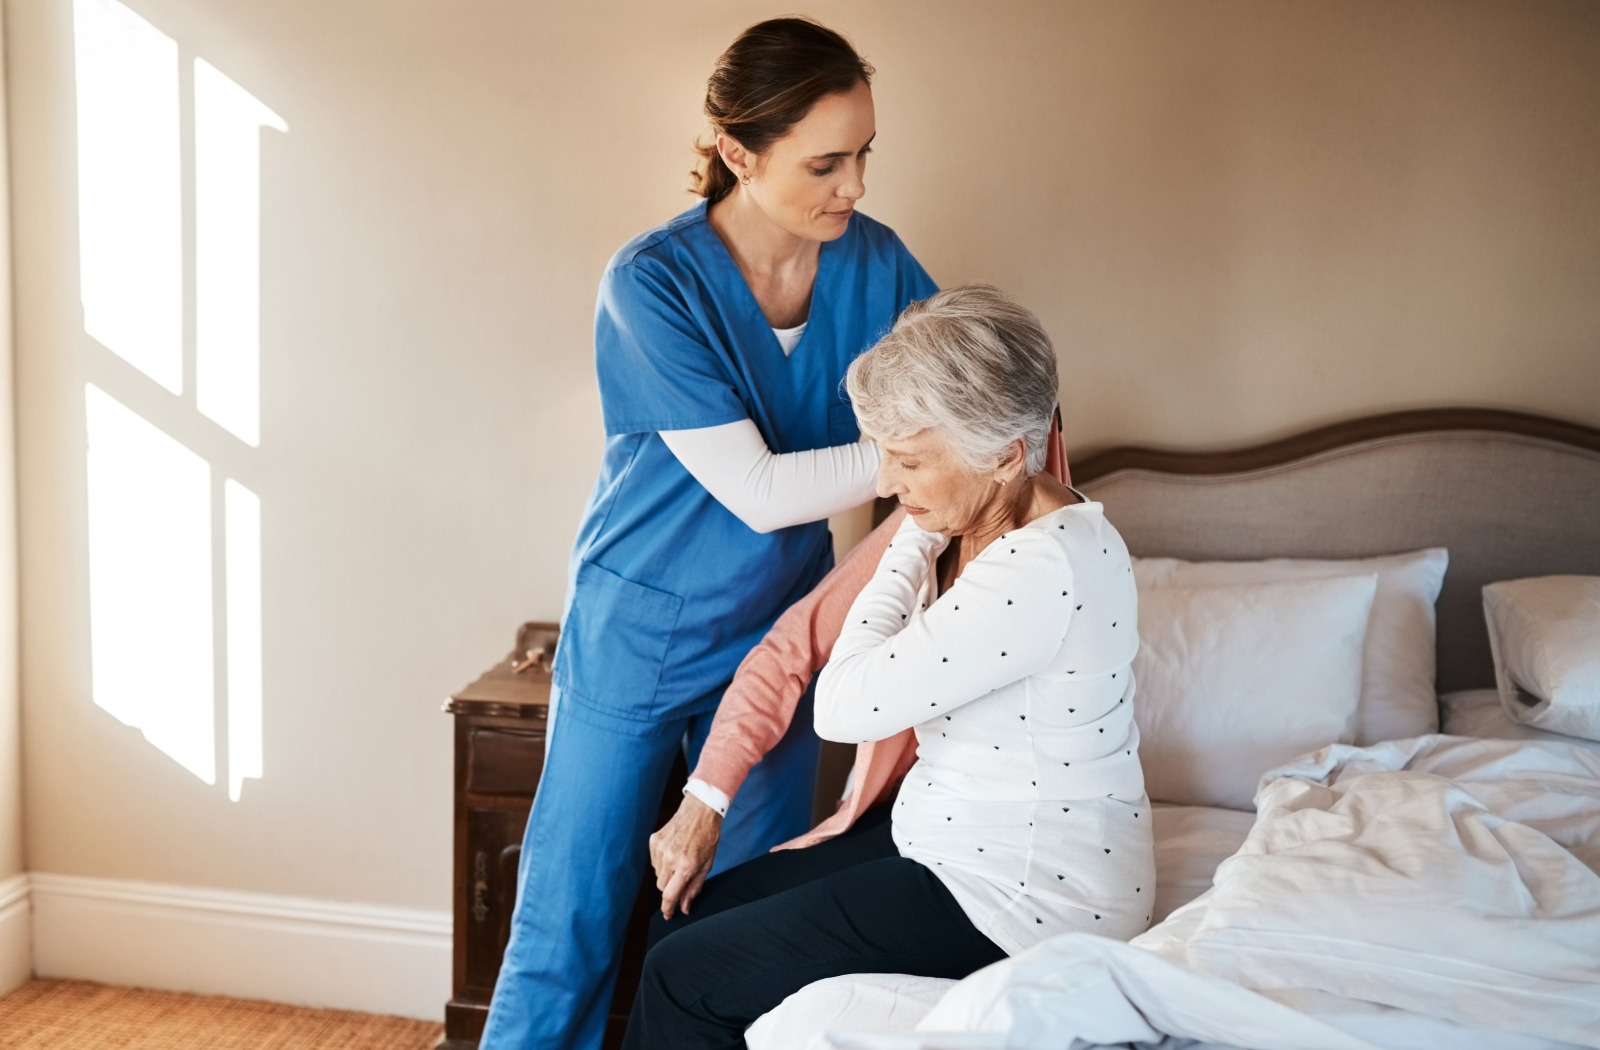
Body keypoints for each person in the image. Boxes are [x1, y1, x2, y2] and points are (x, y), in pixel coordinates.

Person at [478, 17, 937, 1050]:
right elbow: (766, 491)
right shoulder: (652, 282)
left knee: (745, 923)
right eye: (825, 161)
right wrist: (923, 457)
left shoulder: (881, 265)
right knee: (573, 918)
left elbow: (965, 395)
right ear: (738, 151)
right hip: (639, 624)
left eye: (865, 154)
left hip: (772, 638)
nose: (854, 185)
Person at [623, 285, 1156, 1049]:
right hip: (946, 840)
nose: (888, 484)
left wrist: (911, 536)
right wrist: (925, 517)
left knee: (685, 977)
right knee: (685, 917)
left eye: (907, 462)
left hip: (1028, 894)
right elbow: (802, 644)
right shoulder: (1002, 513)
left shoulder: (1043, 567)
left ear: (1004, 456)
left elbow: (840, 707)